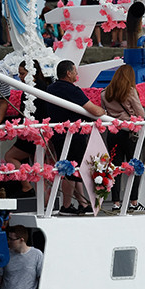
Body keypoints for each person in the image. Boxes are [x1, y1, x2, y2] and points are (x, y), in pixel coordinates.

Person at [44, 60, 106, 213]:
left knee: (73, 168)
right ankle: (66, 206)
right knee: (70, 170)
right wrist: (105, 112)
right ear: (68, 73)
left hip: (57, 134)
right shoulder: (72, 90)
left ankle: (83, 204)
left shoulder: (50, 89)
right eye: (75, 72)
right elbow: (94, 110)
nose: (77, 75)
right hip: (72, 136)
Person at [101, 64, 145, 212]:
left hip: (113, 134)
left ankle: (116, 203)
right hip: (129, 133)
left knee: (115, 168)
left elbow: (104, 112)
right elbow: (140, 113)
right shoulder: (130, 91)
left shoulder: (105, 93)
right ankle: (133, 202)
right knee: (134, 167)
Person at [0, 224, 43, 289]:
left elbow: (42, 283)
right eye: (8, 238)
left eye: (11, 239)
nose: (8, 242)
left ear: (21, 240)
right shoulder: (5, 255)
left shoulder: (37, 255)